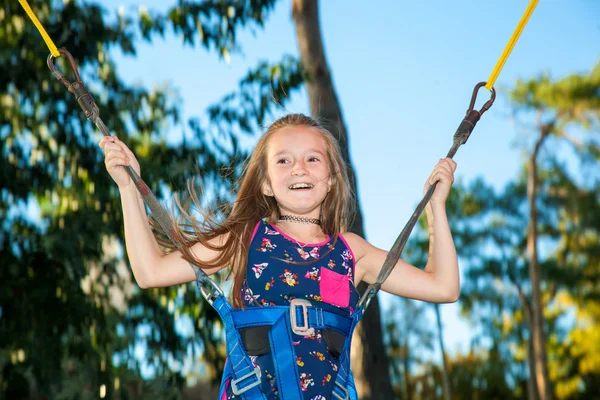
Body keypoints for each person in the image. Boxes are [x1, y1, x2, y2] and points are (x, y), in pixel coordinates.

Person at [99, 113, 459, 399]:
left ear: (331, 178)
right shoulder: (245, 239)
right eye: (284, 160)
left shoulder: (352, 252)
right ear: (267, 183)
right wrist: (128, 187)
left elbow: (443, 287)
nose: (299, 168)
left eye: (312, 159)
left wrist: (436, 209)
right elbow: (150, 272)